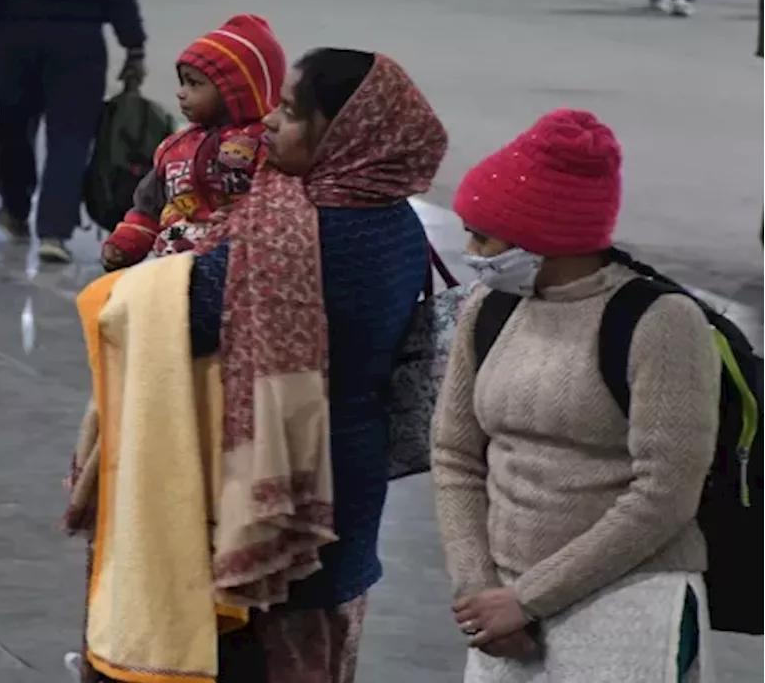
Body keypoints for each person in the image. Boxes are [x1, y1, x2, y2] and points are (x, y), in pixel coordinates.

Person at [72, 48, 449, 682]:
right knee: (319, 642)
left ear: (347, 132)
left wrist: (141, 274)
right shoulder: (393, 217)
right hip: (346, 480)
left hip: (277, 489)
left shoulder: (297, 236)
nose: (270, 121)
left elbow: (173, 310)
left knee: (260, 652)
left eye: (294, 112)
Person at [431, 109, 719, 681]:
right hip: (500, 608)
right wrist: (478, 588)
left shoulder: (663, 322)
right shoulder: (489, 310)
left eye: (482, 235)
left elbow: (665, 493)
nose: (471, 251)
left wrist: (530, 598)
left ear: (546, 239)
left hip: (628, 596)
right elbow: (455, 454)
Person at [0, 0, 148, 263]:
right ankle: (55, 232)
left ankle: (15, 211)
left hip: (13, 37)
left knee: (13, 127)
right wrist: (134, 47)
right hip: (80, 42)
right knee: (71, 137)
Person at [100, 14, 285, 270]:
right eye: (182, 82)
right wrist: (125, 243)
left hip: (237, 271)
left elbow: (283, 209)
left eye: (194, 84)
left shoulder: (269, 146)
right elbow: (149, 207)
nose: (181, 92)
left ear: (235, 89)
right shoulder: (176, 148)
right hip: (170, 269)